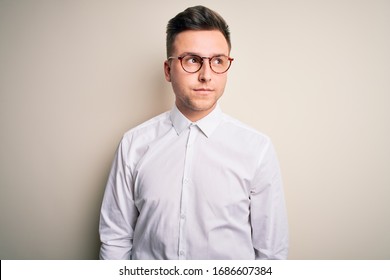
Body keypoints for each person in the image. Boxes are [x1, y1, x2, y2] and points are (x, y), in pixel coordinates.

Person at [99, 5, 288, 260]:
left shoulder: (257, 149)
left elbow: (271, 254)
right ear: (168, 70)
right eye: (192, 60)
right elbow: (115, 240)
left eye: (218, 61)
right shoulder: (133, 144)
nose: (206, 75)